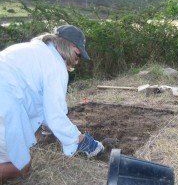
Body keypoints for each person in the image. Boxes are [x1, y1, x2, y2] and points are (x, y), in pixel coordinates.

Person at [0, 25, 104, 180]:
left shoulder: (35, 50)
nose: (76, 62)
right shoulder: (55, 65)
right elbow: (55, 115)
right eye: (78, 55)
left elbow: (40, 102)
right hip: (5, 103)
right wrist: (83, 141)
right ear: (70, 46)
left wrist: (49, 124)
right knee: (21, 166)